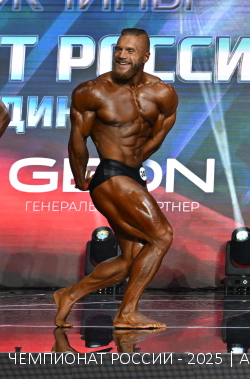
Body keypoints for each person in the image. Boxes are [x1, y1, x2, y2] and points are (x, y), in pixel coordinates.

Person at [53, 28, 178, 330]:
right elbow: (78, 139)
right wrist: (79, 176)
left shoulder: (163, 93)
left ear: (145, 57)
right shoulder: (93, 91)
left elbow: (157, 136)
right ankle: (127, 313)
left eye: (130, 51)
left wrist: (135, 159)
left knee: (130, 260)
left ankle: (69, 294)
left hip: (133, 175)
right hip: (109, 174)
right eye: (118, 49)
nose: (122, 55)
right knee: (162, 236)